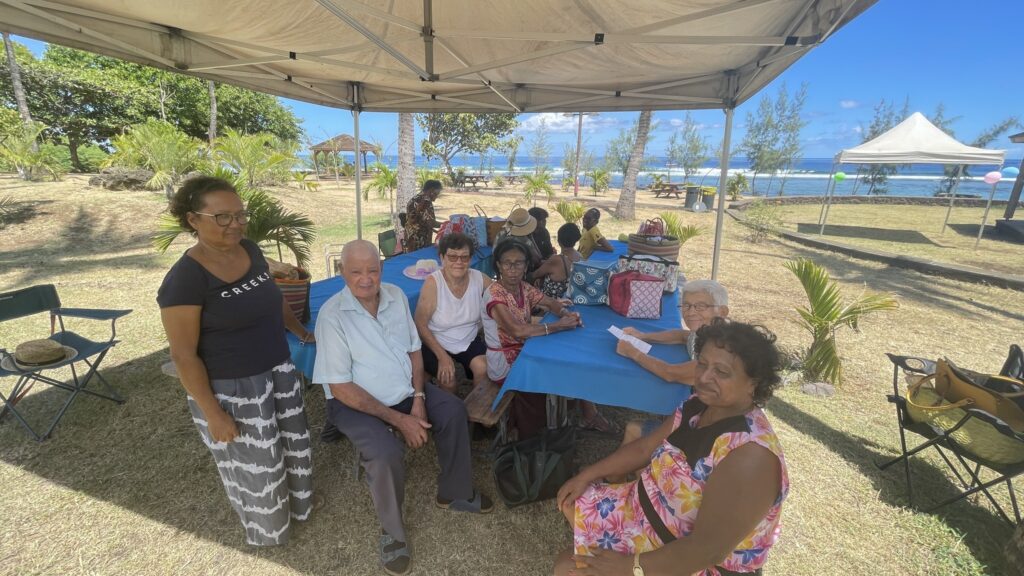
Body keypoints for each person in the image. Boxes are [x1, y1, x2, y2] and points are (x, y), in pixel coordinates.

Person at [313, 240, 493, 576]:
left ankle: (454, 492)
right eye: (356, 272)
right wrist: (400, 419)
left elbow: (413, 351)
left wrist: (420, 398)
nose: (366, 278)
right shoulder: (332, 315)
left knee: (453, 410)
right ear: (342, 272)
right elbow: (340, 387)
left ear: (382, 268)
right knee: (384, 453)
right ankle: (393, 534)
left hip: (405, 390)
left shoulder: (395, 296)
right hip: (354, 402)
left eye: (372, 270)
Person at [554, 320, 789, 576]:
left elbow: (707, 551)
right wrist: (587, 475)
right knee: (570, 502)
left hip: (691, 559)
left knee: (567, 568)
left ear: (754, 383)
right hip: (643, 513)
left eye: (721, 372)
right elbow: (644, 448)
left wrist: (628, 567)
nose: (704, 377)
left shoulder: (751, 456)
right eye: (702, 364)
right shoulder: (698, 406)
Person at [157, 176, 316, 546]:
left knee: (292, 446)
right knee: (257, 464)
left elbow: (272, 297)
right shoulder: (185, 280)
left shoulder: (250, 250)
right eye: (223, 217)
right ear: (193, 220)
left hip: (278, 369)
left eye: (240, 215)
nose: (236, 224)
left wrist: (299, 331)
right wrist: (213, 413)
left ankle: (299, 507)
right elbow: (183, 355)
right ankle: (269, 530)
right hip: (235, 387)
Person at [482, 240, 582, 439]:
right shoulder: (494, 294)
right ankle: (533, 433)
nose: (513, 269)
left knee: (562, 363)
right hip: (504, 361)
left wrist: (565, 314)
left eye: (518, 263)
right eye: (507, 263)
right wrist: (558, 326)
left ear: (526, 265)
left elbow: (549, 302)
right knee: (547, 375)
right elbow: (517, 331)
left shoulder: (523, 288)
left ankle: (553, 421)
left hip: (524, 349)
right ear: (499, 265)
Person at [615, 279, 731, 445]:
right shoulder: (707, 331)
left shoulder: (720, 349)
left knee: (634, 429)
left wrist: (633, 352)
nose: (690, 312)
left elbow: (670, 373)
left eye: (700, 306)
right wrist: (643, 336)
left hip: (713, 435)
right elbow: (683, 336)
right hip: (702, 413)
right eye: (686, 305)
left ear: (722, 311)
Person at [414, 232, 492, 395]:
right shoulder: (433, 283)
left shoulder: (480, 278)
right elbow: (420, 323)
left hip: (468, 338)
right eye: (452, 256)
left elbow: (501, 296)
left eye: (464, 257)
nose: (459, 262)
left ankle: (476, 408)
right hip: (436, 340)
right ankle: (453, 408)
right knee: (448, 379)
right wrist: (442, 357)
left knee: (483, 368)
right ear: (442, 258)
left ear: (470, 259)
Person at [529, 223, 583, 300]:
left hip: (551, 302)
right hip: (571, 298)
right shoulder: (580, 256)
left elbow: (535, 275)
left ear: (558, 240)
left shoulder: (556, 259)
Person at [494, 207, 545, 275]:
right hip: (521, 274)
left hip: (501, 271)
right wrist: (531, 237)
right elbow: (537, 260)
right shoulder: (525, 240)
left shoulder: (500, 234)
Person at [403, 179, 442, 252]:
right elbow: (431, 223)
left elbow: (421, 221)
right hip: (418, 241)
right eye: (436, 194)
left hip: (410, 238)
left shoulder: (416, 198)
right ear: (431, 190)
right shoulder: (425, 202)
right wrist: (447, 224)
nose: (435, 198)